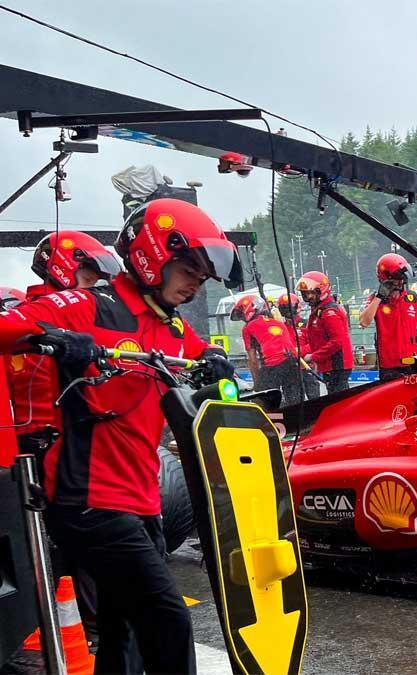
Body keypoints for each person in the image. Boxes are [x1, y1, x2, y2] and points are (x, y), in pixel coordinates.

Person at [0, 198, 239, 674]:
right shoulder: (92, 304)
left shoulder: (168, 326)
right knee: (168, 618)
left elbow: (195, 348)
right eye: (190, 269)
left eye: (203, 276)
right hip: (89, 501)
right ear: (155, 255)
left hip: (142, 498)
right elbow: (10, 325)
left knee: (122, 629)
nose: (196, 283)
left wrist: (213, 354)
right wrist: (50, 336)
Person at [8, 231, 121, 464]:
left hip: (86, 433)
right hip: (36, 442)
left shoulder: (95, 318)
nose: (96, 290)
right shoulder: (32, 315)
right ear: (63, 268)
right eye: (90, 281)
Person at [359, 253, 417, 382]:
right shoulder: (375, 299)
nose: (401, 282)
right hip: (390, 365)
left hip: (414, 360)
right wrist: (379, 297)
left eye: (402, 278)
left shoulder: (412, 298)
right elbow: (364, 322)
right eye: (398, 278)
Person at [230, 295, 302, 406]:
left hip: (271, 366)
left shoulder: (248, 328)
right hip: (292, 363)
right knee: (295, 403)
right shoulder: (279, 323)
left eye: (241, 315)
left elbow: (253, 360)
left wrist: (257, 384)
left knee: (264, 404)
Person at [297, 270, 353, 393]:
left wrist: (313, 356)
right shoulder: (319, 310)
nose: (308, 297)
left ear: (320, 291)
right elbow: (316, 340)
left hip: (337, 365)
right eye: (305, 294)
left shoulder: (328, 312)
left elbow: (337, 341)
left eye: (310, 293)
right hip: (330, 365)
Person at [276, 291, 322, 400]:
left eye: (289, 308)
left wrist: (298, 351)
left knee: (314, 399)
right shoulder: (280, 328)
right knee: (293, 401)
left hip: (307, 366)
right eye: (284, 308)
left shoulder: (307, 324)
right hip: (289, 370)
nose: (287, 311)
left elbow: (315, 344)